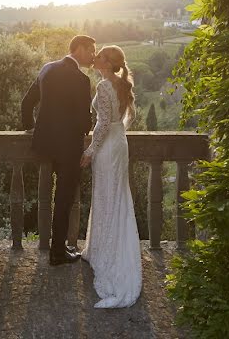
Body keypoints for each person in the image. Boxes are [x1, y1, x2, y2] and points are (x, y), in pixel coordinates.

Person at [21, 35, 96, 266]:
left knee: (52, 197)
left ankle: (57, 248)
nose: (93, 55)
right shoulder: (82, 80)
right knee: (63, 200)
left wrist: (31, 130)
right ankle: (57, 252)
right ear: (79, 49)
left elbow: (26, 103)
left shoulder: (47, 69)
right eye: (91, 50)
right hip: (69, 149)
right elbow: (85, 123)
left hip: (44, 146)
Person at [80, 45, 142, 308]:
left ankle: (105, 254)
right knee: (115, 195)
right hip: (120, 143)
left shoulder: (105, 87)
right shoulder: (120, 83)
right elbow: (120, 120)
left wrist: (90, 151)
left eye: (99, 55)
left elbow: (102, 124)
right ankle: (98, 248)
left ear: (105, 63)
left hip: (107, 146)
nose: (95, 57)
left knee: (106, 194)